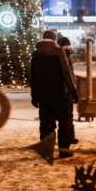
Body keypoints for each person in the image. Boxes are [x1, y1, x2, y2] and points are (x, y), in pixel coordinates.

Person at [30, 30, 79, 158]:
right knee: (64, 122)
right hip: (60, 94)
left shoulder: (36, 54)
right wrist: (74, 92)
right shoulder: (58, 52)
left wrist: (34, 96)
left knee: (46, 123)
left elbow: (33, 77)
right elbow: (66, 73)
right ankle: (64, 151)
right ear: (54, 38)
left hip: (43, 96)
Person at [57, 35, 79, 145]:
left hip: (70, 90)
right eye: (64, 45)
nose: (67, 46)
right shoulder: (59, 57)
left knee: (70, 115)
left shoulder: (68, 56)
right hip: (63, 90)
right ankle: (66, 138)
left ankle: (71, 136)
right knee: (65, 116)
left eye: (68, 44)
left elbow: (71, 73)